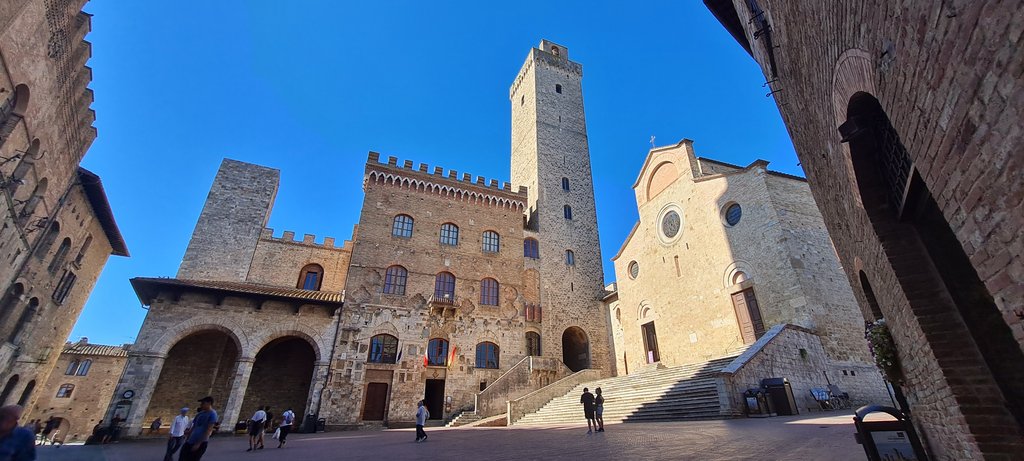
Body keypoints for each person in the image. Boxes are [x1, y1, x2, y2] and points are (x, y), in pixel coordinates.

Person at [180, 396, 217, 461]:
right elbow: (194, 427)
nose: (201, 405)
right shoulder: (200, 414)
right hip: (190, 441)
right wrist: (188, 437)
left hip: (201, 442)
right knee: (182, 458)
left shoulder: (212, 414)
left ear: (209, 403)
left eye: (203, 403)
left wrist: (198, 443)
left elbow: (208, 430)